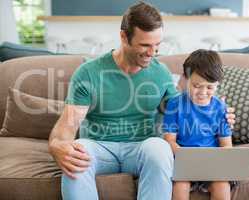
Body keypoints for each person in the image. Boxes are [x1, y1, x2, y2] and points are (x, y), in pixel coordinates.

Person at [48, 2, 235, 200]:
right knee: (76, 152)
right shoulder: (89, 72)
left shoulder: (160, 72)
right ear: (123, 37)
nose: (152, 53)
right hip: (99, 146)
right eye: (145, 45)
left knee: (160, 148)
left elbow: (183, 108)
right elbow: (67, 126)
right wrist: (58, 145)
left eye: (157, 45)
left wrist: (218, 112)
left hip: (142, 147)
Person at [163, 49, 233, 200]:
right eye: (196, 85)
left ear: (217, 84)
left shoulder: (221, 108)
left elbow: (226, 145)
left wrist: (219, 159)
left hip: (212, 164)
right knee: (180, 185)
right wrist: (184, 156)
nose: (202, 92)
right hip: (183, 161)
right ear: (185, 79)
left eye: (209, 87)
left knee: (222, 184)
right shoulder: (174, 104)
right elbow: (169, 141)